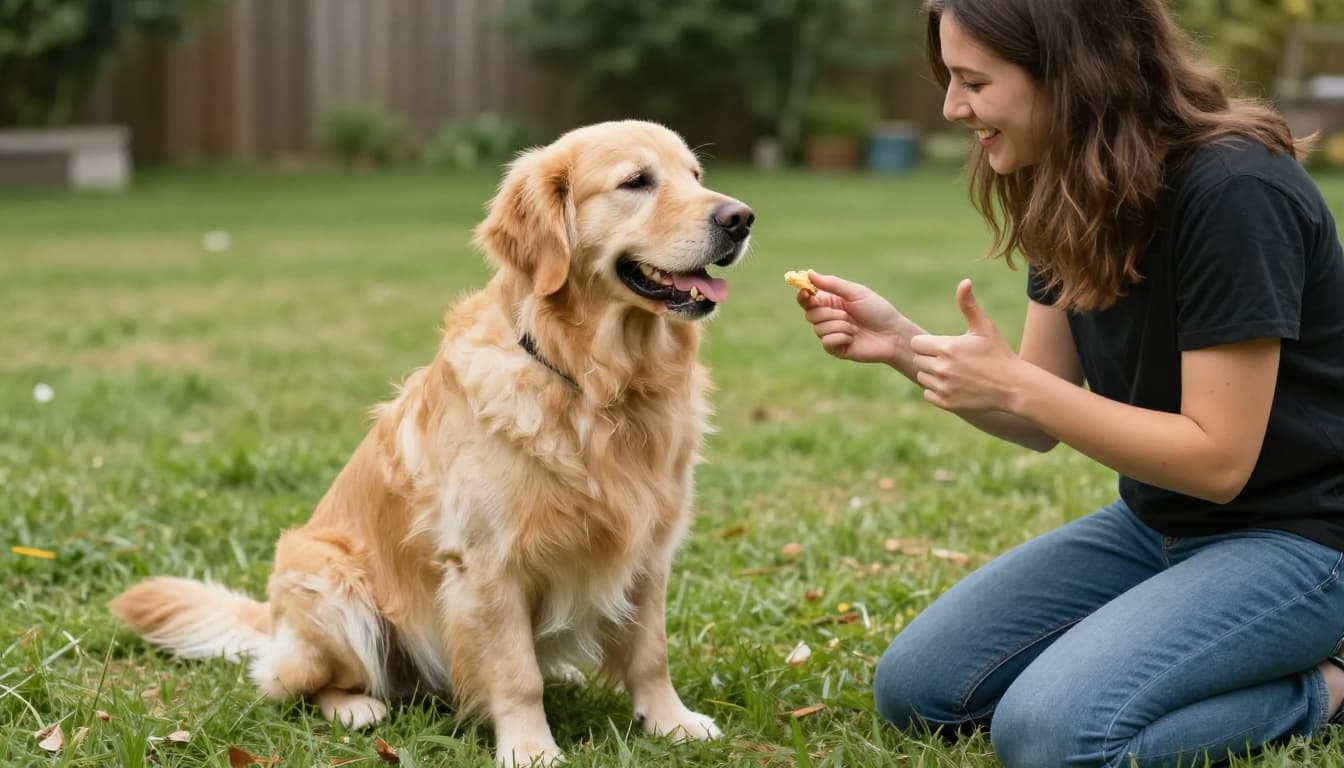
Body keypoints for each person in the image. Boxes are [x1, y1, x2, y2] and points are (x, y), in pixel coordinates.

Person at [794, 1, 1344, 766]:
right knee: (922, 690)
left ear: (1072, 75)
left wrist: (1017, 388)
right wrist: (903, 345)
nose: (953, 107)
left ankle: (1325, 686)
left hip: (1302, 541)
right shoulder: (1076, 181)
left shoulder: (1237, 193)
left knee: (1054, 737)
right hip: (1155, 524)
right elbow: (1040, 406)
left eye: (972, 81)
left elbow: (1219, 463)